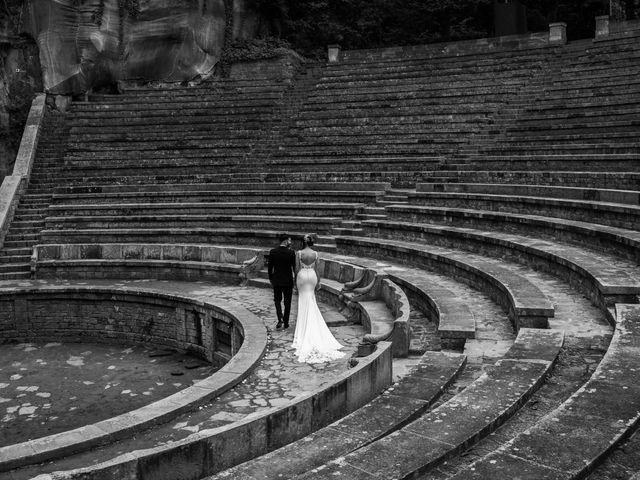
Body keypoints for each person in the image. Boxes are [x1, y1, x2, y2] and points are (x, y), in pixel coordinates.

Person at [292, 234, 345, 363]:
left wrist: (295, 282)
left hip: (302, 276)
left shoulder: (299, 253)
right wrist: (319, 282)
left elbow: (297, 269)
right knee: (311, 300)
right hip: (312, 276)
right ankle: (312, 324)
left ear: (303, 242)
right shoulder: (315, 254)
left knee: (303, 301)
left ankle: (303, 330)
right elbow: (317, 270)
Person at [268, 233, 296, 329]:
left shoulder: (273, 252)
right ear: (285, 241)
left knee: (277, 300)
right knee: (287, 302)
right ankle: (286, 322)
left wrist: (271, 278)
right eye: (289, 240)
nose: (290, 242)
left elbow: (270, 268)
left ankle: (280, 318)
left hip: (277, 280)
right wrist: (295, 280)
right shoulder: (291, 253)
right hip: (288, 281)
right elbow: (294, 267)